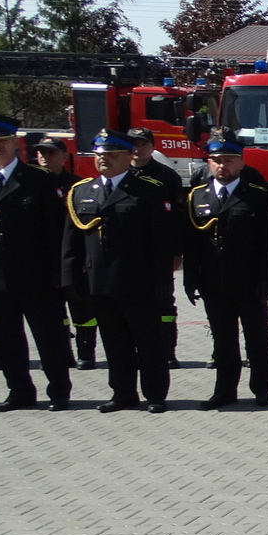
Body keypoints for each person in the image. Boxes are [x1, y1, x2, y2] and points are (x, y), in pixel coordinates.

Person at [61, 130, 181, 412]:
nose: (104, 159)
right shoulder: (82, 191)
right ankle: (122, 393)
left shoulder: (149, 190)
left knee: (148, 341)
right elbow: (72, 240)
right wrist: (70, 278)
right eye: (100, 154)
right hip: (98, 282)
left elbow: (161, 240)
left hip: (138, 281)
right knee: (114, 342)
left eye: (112, 154)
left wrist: (163, 279)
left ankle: (155, 394)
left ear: (128, 156)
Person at [0, 114, 73, 410]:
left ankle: (59, 391)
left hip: (36, 274)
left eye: (3, 141)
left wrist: (59, 273)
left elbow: (56, 231)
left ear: (16, 143)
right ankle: (19, 392)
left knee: (49, 337)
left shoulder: (39, 180)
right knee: (7, 339)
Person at [181, 129, 268, 408]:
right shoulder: (197, 196)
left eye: (229, 160)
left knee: (257, 338)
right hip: (213, 281)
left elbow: (266, 243)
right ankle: (224, 391)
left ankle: (261, 389)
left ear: (241, 162)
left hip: (249, 280)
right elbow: (192, 243)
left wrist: (267, 278)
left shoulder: (257, 196)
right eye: (217, 160)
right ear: (209, 163)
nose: (223, 165)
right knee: (223, 340)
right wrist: (190, 278)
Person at [33, 138, 97, 369]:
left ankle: (86, 353)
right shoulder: (31, 183)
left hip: (72, 256)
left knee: (82, 306)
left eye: (50, 152)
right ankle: (61, 354)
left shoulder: (77, 186)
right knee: (52, 310)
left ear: (63, 156)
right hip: (44, 257)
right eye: (41, 153)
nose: (44, 157)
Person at [124, 127, 185, 368]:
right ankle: (137, 351)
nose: (138, 149)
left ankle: (168, 351)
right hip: (129, 253)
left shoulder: (166, 176)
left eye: (143, 144)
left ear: (152, 147)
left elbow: (177, 217)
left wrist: (176, 251)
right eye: (134, 144)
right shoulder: (120, 173)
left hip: (159, 251)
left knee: (163, 301)